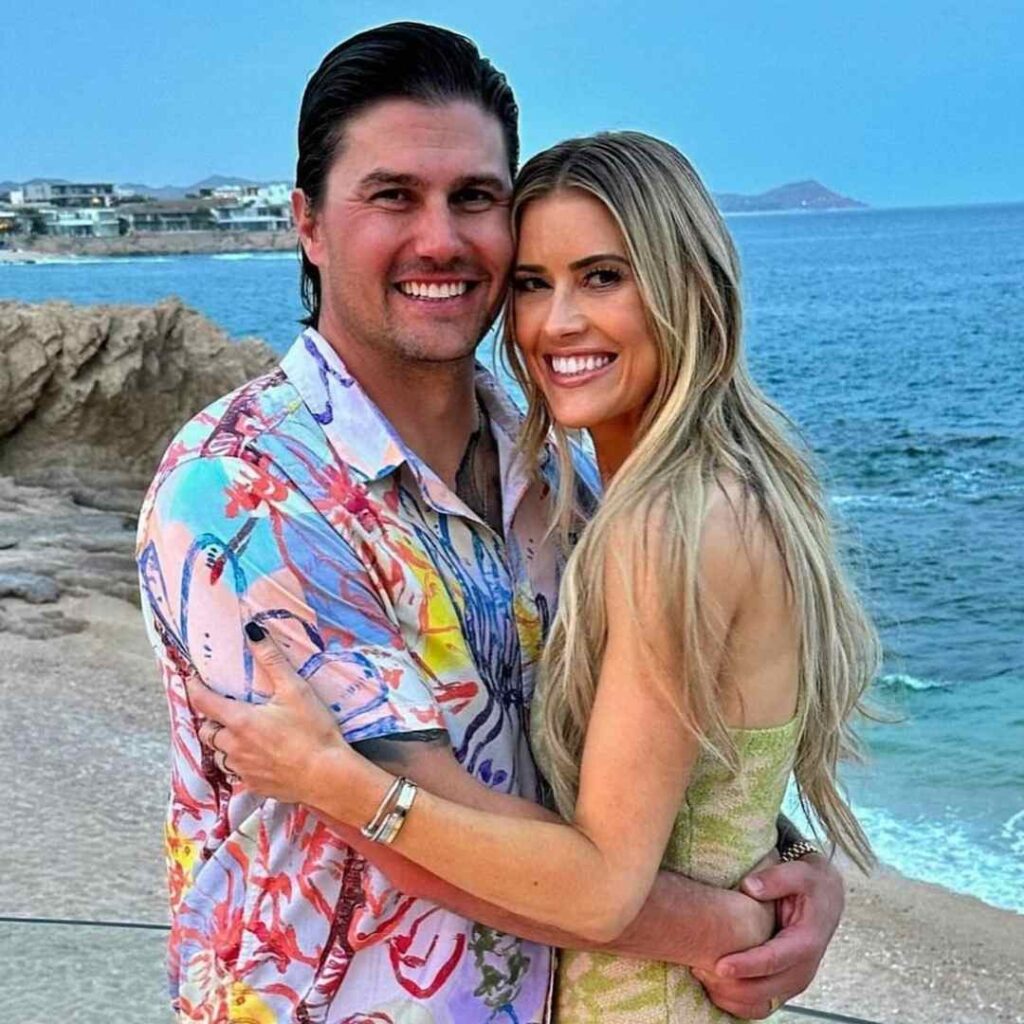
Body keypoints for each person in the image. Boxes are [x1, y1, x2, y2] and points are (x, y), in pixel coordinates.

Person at [138, 22, 846, 1024]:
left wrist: (787, 863)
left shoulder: (557, 467)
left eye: (474, 198)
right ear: (307, 223)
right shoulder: (244, 494)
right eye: (393, 196)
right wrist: (737, 927)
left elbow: (624, 764)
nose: (441, 239)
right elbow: (416, 839)